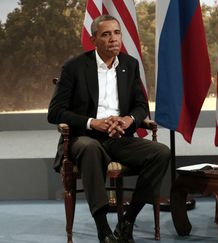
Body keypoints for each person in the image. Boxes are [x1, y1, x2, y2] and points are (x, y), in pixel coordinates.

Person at [48, 15, 170, 243]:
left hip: (119, 137)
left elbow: (141, 106)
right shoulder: (74, 67)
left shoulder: (129, 65)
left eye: (116, 33)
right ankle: (103, 229)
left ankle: (127, 222)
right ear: (93, 39)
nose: (113, 39)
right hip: (84, 137)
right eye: (106, 34)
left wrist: (127, 120)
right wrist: (92, 122)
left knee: (160, 153)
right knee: (90, 148)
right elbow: (55, 112)